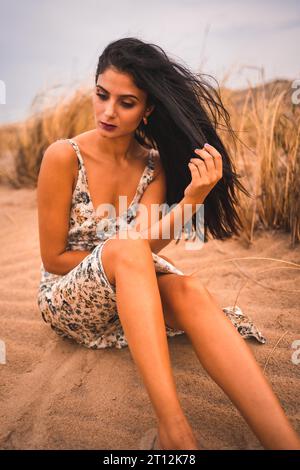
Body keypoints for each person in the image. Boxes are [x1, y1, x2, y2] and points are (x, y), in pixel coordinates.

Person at [36, 37, 300, 450]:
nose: (108, 111)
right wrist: (120, 258)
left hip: (132, 292)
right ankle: (174, 430)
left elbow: (150, 244)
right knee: (127, 248)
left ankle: (284, 442)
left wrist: (193, 199)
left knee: (190, 288)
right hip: (68, 298)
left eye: (126, 102)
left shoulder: (153, 164)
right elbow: (52, 259)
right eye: (102, 95)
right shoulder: (63, 155)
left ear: (148, 109)